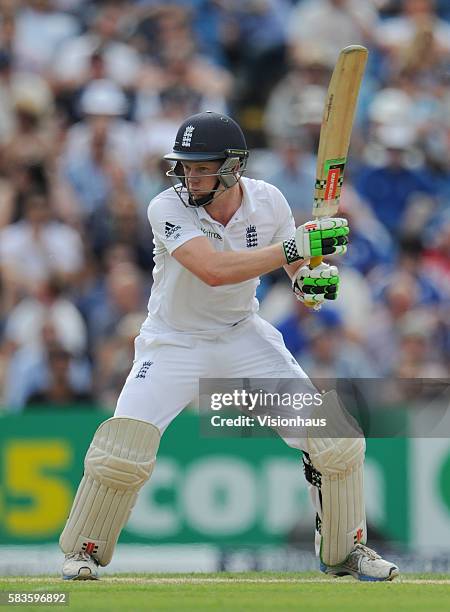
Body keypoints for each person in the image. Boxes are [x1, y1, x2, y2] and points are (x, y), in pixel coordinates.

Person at [59, 111, 399, 582]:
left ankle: (346, 552)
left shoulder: (270, 200)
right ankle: (83, 553)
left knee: (335, 438)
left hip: (243, 336)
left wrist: (311, 282)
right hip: (172, 342)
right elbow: (214, 270)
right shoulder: (166, 207)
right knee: (122, 448)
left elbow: (296, 273)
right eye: (185, 166)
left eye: (202, 167)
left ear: (232, 167)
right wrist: (295, 251)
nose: (190, 177)